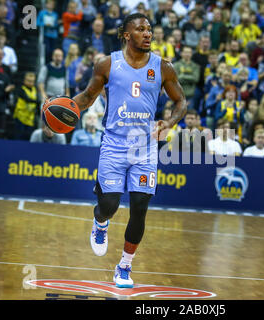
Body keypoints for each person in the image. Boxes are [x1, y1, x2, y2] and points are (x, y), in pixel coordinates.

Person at [72, 13, 187, 288]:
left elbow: (180, 100)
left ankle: (124, 267)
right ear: (126, 34)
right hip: (113, 143)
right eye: (140, 29)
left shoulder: (164, 67)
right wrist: (64, 104)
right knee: (109, 206)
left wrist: (169, 122)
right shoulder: (108, 64)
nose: (148, 34)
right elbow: (88, 97)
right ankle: (100, 221)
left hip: (144, 147)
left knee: (139, 208)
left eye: (149, 29)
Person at [13, 72, 39, 141]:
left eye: (32, 81)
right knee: (19, 137)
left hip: (30, 118)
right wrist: (38, 102)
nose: (30, 83)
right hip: (20, 117)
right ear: (24, 80)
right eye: (29, 81)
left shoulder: (35, 89)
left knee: (28, 138)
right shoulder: (21, 89)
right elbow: (27, 99)